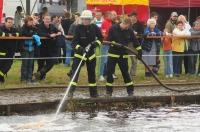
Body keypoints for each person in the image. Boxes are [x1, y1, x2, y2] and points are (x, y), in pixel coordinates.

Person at [68, 10, 103, 98]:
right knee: (75, 74)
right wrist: (80, 48)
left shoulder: (94, 27)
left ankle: (93, 93)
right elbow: (74, 43)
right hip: (79, 55)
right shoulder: (78, 28)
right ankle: (70, 92)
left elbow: (100, 38)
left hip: (91, 55)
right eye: (83, 19)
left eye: (87, 19)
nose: (85, 21)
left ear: (90, 20)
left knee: (92, 74)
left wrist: (95, 44)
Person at [106, 18, 142, 97]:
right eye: (126, 27)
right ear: (123, 23)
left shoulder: (129, 31)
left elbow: (135, 41)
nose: (127, 29)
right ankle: (109, 91)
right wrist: (116, 44)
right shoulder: (113, 28)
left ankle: (130, 91)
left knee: (125, 73)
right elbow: (108, 40)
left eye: (128, 28)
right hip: (113, 55)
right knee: (109, 73)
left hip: (123, 55)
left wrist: (139, 51)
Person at [34, 14, 62, 80]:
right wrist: (49, 35)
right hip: (42, 47)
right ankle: (40, 78)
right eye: (46, 19)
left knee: (51, 63)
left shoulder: (52, 26)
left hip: (51, 47)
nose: (47, 20)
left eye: (48, 19)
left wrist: (59, 32)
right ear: (43, 19)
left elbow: (58, 31)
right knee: (41, 63)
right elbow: (39, 33)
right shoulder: (39, 26)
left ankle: (39, 73)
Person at [20, 16, 41, 83]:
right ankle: (23, 79)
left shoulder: (34, 28)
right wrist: (33, 34)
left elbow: (38, 32)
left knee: (31, 64)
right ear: (26, 22)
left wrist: (33, 34)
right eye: (29, 21)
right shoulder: (23, 28)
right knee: (25, 64)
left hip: (32, 48)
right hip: (25, 48)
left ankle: (29, 78)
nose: (31, 22)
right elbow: (26, 33)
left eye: (31, 21)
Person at [0, 17, 20, 83]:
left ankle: (0, 76)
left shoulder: (13, 29)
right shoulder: (1, 28)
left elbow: (18, 33)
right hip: (2, 51)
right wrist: (8, 35)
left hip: (10, 51)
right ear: (5, 22)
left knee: (8, 65)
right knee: (2, 66)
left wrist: (12, 34)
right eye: (9, 22)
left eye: (11, 23)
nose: (10, 24)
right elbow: (1, 33)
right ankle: (1, 80)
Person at [128, 12, 144, 77]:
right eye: (131, 17)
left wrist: (136, 33)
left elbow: (142, 33)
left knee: (134, 59)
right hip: (127, 42)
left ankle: (132, 73)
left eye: (134, 17)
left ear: (136, 17)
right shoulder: (128, 23)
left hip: (135, 43)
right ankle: (125, 73)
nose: (133, 18)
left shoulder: (140, 24)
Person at [99, 11, 113, 81]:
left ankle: (108, 74)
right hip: (105, 43)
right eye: (112, 15)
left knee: (108, 60)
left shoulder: (109, 22)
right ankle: (101, 74)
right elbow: (104, 33)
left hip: (108, 43)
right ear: (108, 16)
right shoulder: (105, 22)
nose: (113, 16)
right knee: (103, 60)